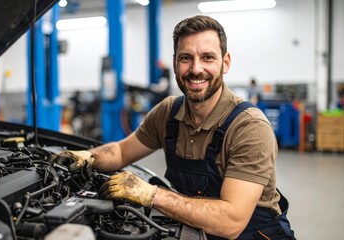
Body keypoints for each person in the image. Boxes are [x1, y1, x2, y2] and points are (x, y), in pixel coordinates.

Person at [49, 15, 295, 239]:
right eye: (186, 58)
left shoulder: (249, 127)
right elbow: (122, 152)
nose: (196, 69)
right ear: (175, 63)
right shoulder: (168, 112)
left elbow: (231, 222)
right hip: (198, 232)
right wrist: (88, 156)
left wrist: (151, 194)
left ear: (226, 62)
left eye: (207, 57)